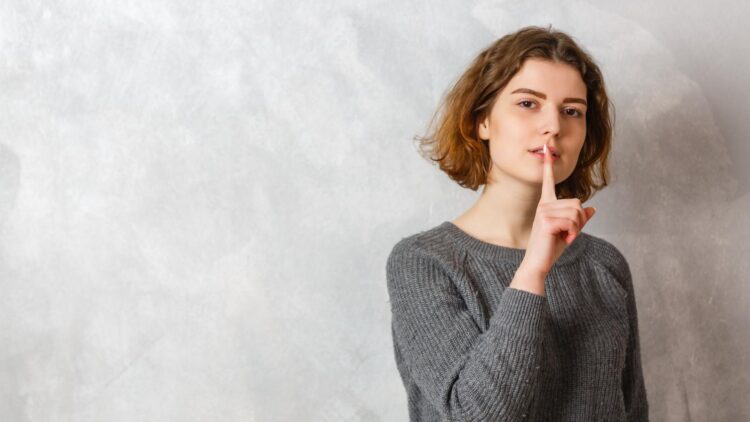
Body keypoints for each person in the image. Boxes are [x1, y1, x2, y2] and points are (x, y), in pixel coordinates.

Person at [385, 25, 649, 421]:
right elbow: (474, 415)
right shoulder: (423, 262)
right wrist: (533, 270)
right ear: (482, 121)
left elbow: (634, 410)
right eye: (528, 103)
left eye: (572, 111)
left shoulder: (605, 264)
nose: (554, 126)